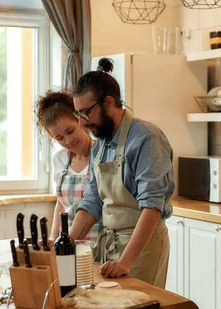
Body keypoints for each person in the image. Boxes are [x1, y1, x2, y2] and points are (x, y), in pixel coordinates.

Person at [68, 58, 174, 288]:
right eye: (78, 115)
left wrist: (126, 262)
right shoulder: (100, 144)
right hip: (110, 245)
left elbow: (152, 206)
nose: (82, 123)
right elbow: (93, 201)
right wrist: (65, 245)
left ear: (108, 103)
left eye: (85, 113)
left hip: (142, 248)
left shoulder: (145, 138)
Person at [35, 90, 102, 247]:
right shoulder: (59, 159)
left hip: (101, 245)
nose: (68, 141)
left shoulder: (103, 154)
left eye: (70, 131)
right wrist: (53, 236)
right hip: (69, 245)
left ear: (81, 120)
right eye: (59, 138)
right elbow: (61, 204)